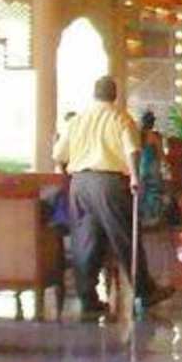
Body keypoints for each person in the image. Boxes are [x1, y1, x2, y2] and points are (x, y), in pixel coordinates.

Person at [54, 76, 152, 321]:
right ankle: (144, 290)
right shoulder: (120, 117)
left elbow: (59, 154)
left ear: (94, 94)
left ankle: (88, 298)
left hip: (80, 183)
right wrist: (135, 176)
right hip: (109, 182)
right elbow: (132, 149)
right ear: (114, 94)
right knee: (125, 235)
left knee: (85, 239)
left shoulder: (77, 120)